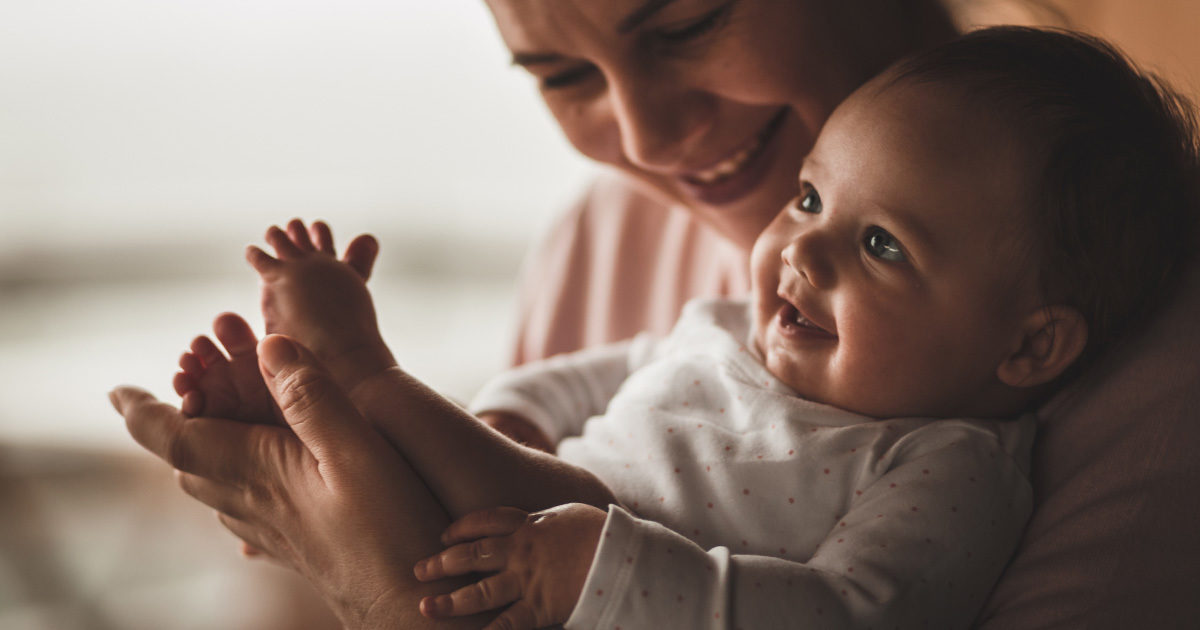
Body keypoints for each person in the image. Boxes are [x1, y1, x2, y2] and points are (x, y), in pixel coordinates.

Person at [110, 0, 1200, 627]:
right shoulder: (684, 285)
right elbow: (610, 370)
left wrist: (391, 588)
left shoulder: (959, 460)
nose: (641, 138)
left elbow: (848, 614)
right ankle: (334, 410)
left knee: (559, 501)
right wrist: (505, 419)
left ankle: (363, 388)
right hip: (542, 506)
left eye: (685, 21)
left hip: (602, 550)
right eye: (561, 74)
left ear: (1032, 343)